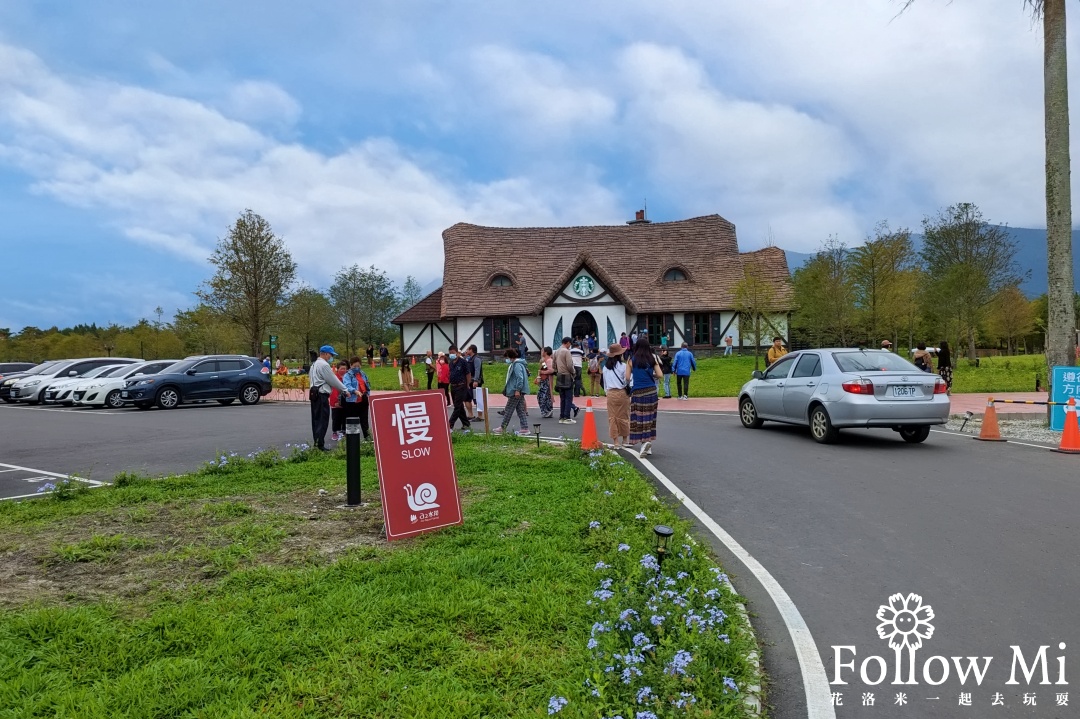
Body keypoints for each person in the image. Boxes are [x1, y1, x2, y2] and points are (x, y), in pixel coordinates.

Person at [308, 345, 351, 451]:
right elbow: (333, 379)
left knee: (316, 420)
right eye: (331, 354)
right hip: (322, 394)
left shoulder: (314, 365)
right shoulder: (324, 365)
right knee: (323, 420)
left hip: (314, 394)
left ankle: (317, 442)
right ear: (325, 353)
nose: (331, 357)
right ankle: (320, 445)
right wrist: (345, 390)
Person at [626, 337, 662, 458]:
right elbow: (660, 375)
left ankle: (644, 443)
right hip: (651, 391)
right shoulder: (652, 359)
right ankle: (649, 443)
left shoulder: (632, 360)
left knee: (639, 418)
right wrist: (651, 374)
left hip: (638, 392)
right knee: (650, 417)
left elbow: (627, 377)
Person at [492, 349, 532, 436]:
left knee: (509, 409)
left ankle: (503, 427)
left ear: (510, 357)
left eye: (507, 358)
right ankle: (525, 428)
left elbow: (519, 378)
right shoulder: (521, 364)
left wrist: (517, 390)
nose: (507, 360)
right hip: (519, 390)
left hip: (515, 391)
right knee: (520, 410)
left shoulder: (516, 365)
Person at [602, 343, 630, 448]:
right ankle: (625, 440)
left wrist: (607, 392)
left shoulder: (605, 368)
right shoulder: (623, 366)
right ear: (619, 355)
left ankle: (615, 442)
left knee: (612, 417)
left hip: (610, 393)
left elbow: (604, 383)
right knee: (624, 416)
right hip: (622, 392)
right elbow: (628, 380)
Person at [342, 356, 371, 440]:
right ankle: (352, 439)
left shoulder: (363, 374)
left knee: (364, 420)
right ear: (350, 366)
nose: (356, 368)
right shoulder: (347, 375)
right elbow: (347, 385)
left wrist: (368, 393)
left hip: (363, 400)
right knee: (352, 420)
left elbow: (367, 384)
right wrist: (355, 391)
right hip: (352, 401)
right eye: (354, 366)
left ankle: (367, 437)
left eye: (358, 366)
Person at [446, 344, 473, 432]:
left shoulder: (463, 362)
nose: (451, 355)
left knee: (457, 406)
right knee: (459, 406)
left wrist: (468, 384)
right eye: (450, 353)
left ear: (457, 353)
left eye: (453, 353)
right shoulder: (451, 363)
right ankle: (466, 423)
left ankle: (450, 424)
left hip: (461, 386)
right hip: (453, 386)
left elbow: (468, 374)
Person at [554, 336, 576, 424]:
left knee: (562, 397)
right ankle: (567, 417)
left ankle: (562, 416)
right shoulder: (566, 352)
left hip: (559, 376)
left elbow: (553, 365)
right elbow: (570, 365)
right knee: (568, 397)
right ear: (567, 343)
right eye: (570, 344)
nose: (570, 345)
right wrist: (573, 372)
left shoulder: (556, 351)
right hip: (567, 375)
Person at [329, 359, 349, 441]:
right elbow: (333, 392)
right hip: (336, 402)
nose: (344, 370)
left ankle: (344, 431)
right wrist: (334, 402)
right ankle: (335, 432)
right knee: (336, 418)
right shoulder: (334, 378)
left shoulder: (347, 378)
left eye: (345, 369)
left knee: (345, 417)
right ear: (338, 369)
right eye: (342, 369)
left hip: (345, 402)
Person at [465, 344, 484, 420]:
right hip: (470, 381)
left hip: (475, 382)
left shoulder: (476, 359)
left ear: (471, 350)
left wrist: (476, 380)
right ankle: (470, 415)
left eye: (468, 349)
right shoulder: (470, 358)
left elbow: (477, 370)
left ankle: (480, 416)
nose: (466, 351)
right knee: (467, 398)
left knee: (477, 399)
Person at [537, 346, 555, 418]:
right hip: (543, 381)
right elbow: (545, 369)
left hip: (546, 381)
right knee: (542, 396)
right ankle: (545, 411)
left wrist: (542, 372)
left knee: (545, 396)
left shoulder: (549, 361)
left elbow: (551, 370)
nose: (541, 352)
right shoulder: (544, 361)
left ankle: (547, 411)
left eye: (542, 351)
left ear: (546, 352)